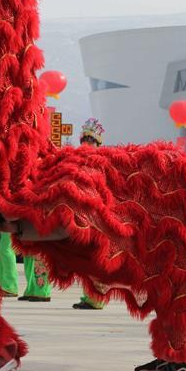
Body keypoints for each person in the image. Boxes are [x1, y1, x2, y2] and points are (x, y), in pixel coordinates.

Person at [72, 118, 104, 309]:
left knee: (95, 258)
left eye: (91, 140)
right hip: (83, 213)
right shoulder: (79, 161)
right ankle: (89, 295)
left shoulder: (101, 162)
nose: (87, 143)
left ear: (98, 143)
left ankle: (96, 298)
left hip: (97, 214)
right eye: (84, 139)